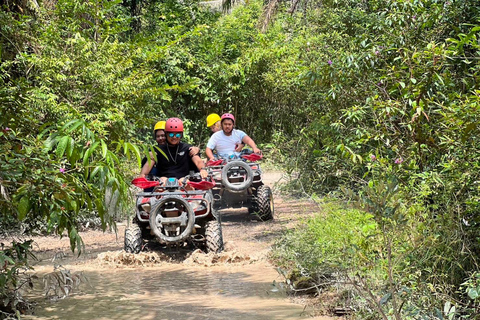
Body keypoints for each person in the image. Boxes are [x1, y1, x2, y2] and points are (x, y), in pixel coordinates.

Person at [140, 118, 208, 181]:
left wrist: (203, 169)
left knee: (185, 182)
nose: (174, 137)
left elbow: (198, 160)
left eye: (178, 135)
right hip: (164, 182)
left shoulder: (187, 148)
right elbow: (148, 164)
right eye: (171, 135)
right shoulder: (157, 150)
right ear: (166, 134)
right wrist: (142, 175)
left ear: (181, 135)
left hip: (184, 181)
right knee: (162, 181)